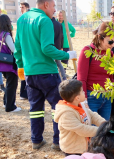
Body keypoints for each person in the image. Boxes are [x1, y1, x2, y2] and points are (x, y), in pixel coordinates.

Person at [14, 0, 77, 150]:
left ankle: (36, 140)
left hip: (30, 73)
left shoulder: (22, 19)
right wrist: (67, 55)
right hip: (47, 72)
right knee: (58, 107)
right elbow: (47, 48)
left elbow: (17, 47)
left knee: (35, 109)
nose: (55, 10)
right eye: (54, 6)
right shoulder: (44, 20)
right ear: (46, 4)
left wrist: (20, 66)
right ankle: (57, 141)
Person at [54, 79, 105, 156]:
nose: (84, 92)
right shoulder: (66, 114)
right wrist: (102, 130)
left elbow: (91, 115)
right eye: (82, 91)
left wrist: (104, 123)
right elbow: (82, 129)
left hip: (84, 146)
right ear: (77, 98)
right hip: (73, 150)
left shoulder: (80, 104)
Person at [77, 22, 114, 121]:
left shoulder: (110, 53)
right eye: (110, 42)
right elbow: (81, 79)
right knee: (92, 132)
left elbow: (111, 77)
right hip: (91, 98)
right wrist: (84, 100)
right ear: (100, 37)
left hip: (106, 98)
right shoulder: (87, 51)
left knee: (103, 132)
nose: (113, 45)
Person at [0, 15, 20, 112]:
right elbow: (14, 50)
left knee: (8, 84)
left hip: (2, 64)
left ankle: (6, 103)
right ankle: (10, 107)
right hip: (9, 64)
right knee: (12, 85)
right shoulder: (6, 35)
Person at [18, 2, 30, 100]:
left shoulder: (29, 19)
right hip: (23, 49)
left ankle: (26, 92)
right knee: (23, 70)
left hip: (29, 48)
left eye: (22, 7)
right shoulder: (20, 19)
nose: (21, 9)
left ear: (27, 8)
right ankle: (23, 93)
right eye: (20, 7)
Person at [51, 15, 67, 80]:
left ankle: (55, 77)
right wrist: (61, 47)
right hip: (58, 47)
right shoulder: (59, 24)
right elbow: (62, 36)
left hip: (51, 47)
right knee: (59, 63)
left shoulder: (48, 24)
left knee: (52, 63)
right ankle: (64, 77)